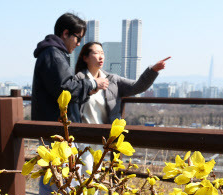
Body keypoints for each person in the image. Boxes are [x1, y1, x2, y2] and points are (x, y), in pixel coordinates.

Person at [31, 13, 109, 195]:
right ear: (66, 33)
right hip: (55, 130)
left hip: (54, 129)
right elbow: (65, 88)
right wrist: (92, 83)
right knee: (57, 182)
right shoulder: (53, 54)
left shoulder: (53, 53)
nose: (78, 43)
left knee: (55, 181)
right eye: (77, 38)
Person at [73, 41, 170, 175]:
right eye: (96, 53)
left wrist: (152, 70)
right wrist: (92, 85)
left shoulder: (113, 80)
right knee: (87, 175)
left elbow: (137, 86)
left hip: (103, 139)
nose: (101, 56)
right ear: (85, 58)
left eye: (102, 53)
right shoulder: (78, 80)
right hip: (82, 138)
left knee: (93, 178)